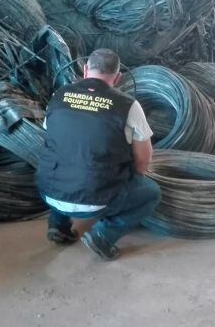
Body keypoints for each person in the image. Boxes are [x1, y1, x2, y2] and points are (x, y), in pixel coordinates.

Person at [36, 48, 161, 261]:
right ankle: (103, 235)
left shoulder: (59, 96)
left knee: (67, 160)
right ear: (118, 77)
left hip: (48, 191)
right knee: (151, 193)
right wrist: (131, 177)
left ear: (85, 70)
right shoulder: (128, 106)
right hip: (95, 198)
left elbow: (52, 137)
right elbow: (143, 160)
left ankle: (58, 224)